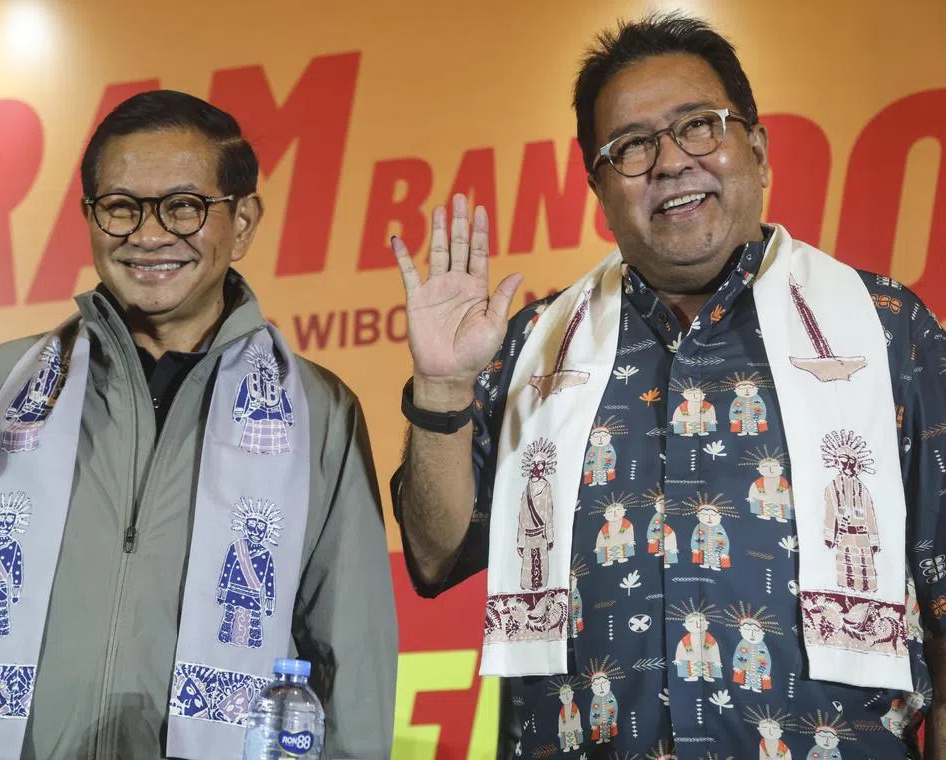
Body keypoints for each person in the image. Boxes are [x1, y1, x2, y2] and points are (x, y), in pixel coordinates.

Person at [390, 12, 946, 759]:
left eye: (698, 126)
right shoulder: (532, 345)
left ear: (756, 147)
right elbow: (433, 555)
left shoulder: (886, 330)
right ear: (599, 188)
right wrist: (443, 386)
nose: (671, 162)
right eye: (632, 146)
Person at [0, 90, 396, 760]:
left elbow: (353, 654)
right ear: (89, 218)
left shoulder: (318, 410)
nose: (147, 235)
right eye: (120, 207)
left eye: (184, 206)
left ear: (243, 221)